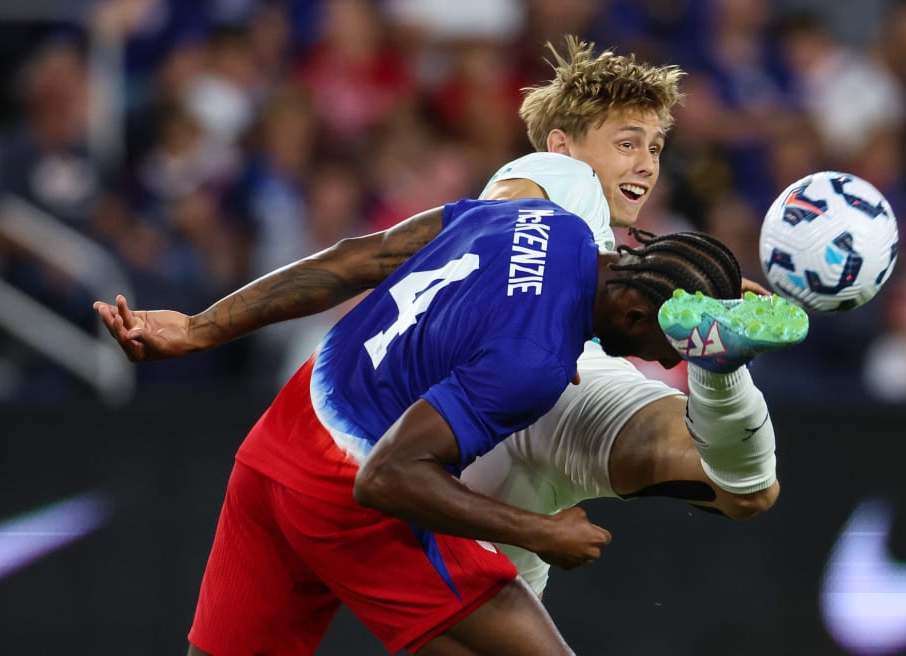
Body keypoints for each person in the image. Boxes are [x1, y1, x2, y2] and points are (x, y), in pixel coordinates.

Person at [95, 35, 804, 621]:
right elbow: (517, 210)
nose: (646, 164)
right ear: (562, 141)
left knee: (746, 488)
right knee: (743, 484)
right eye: (627, 142)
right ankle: (719, 369)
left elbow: (359, 260)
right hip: (495, 405)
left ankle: (718, 363)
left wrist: (200, 328)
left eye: (655, 147)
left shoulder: (618, 258)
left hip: (514, 411)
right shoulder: (553, 183)